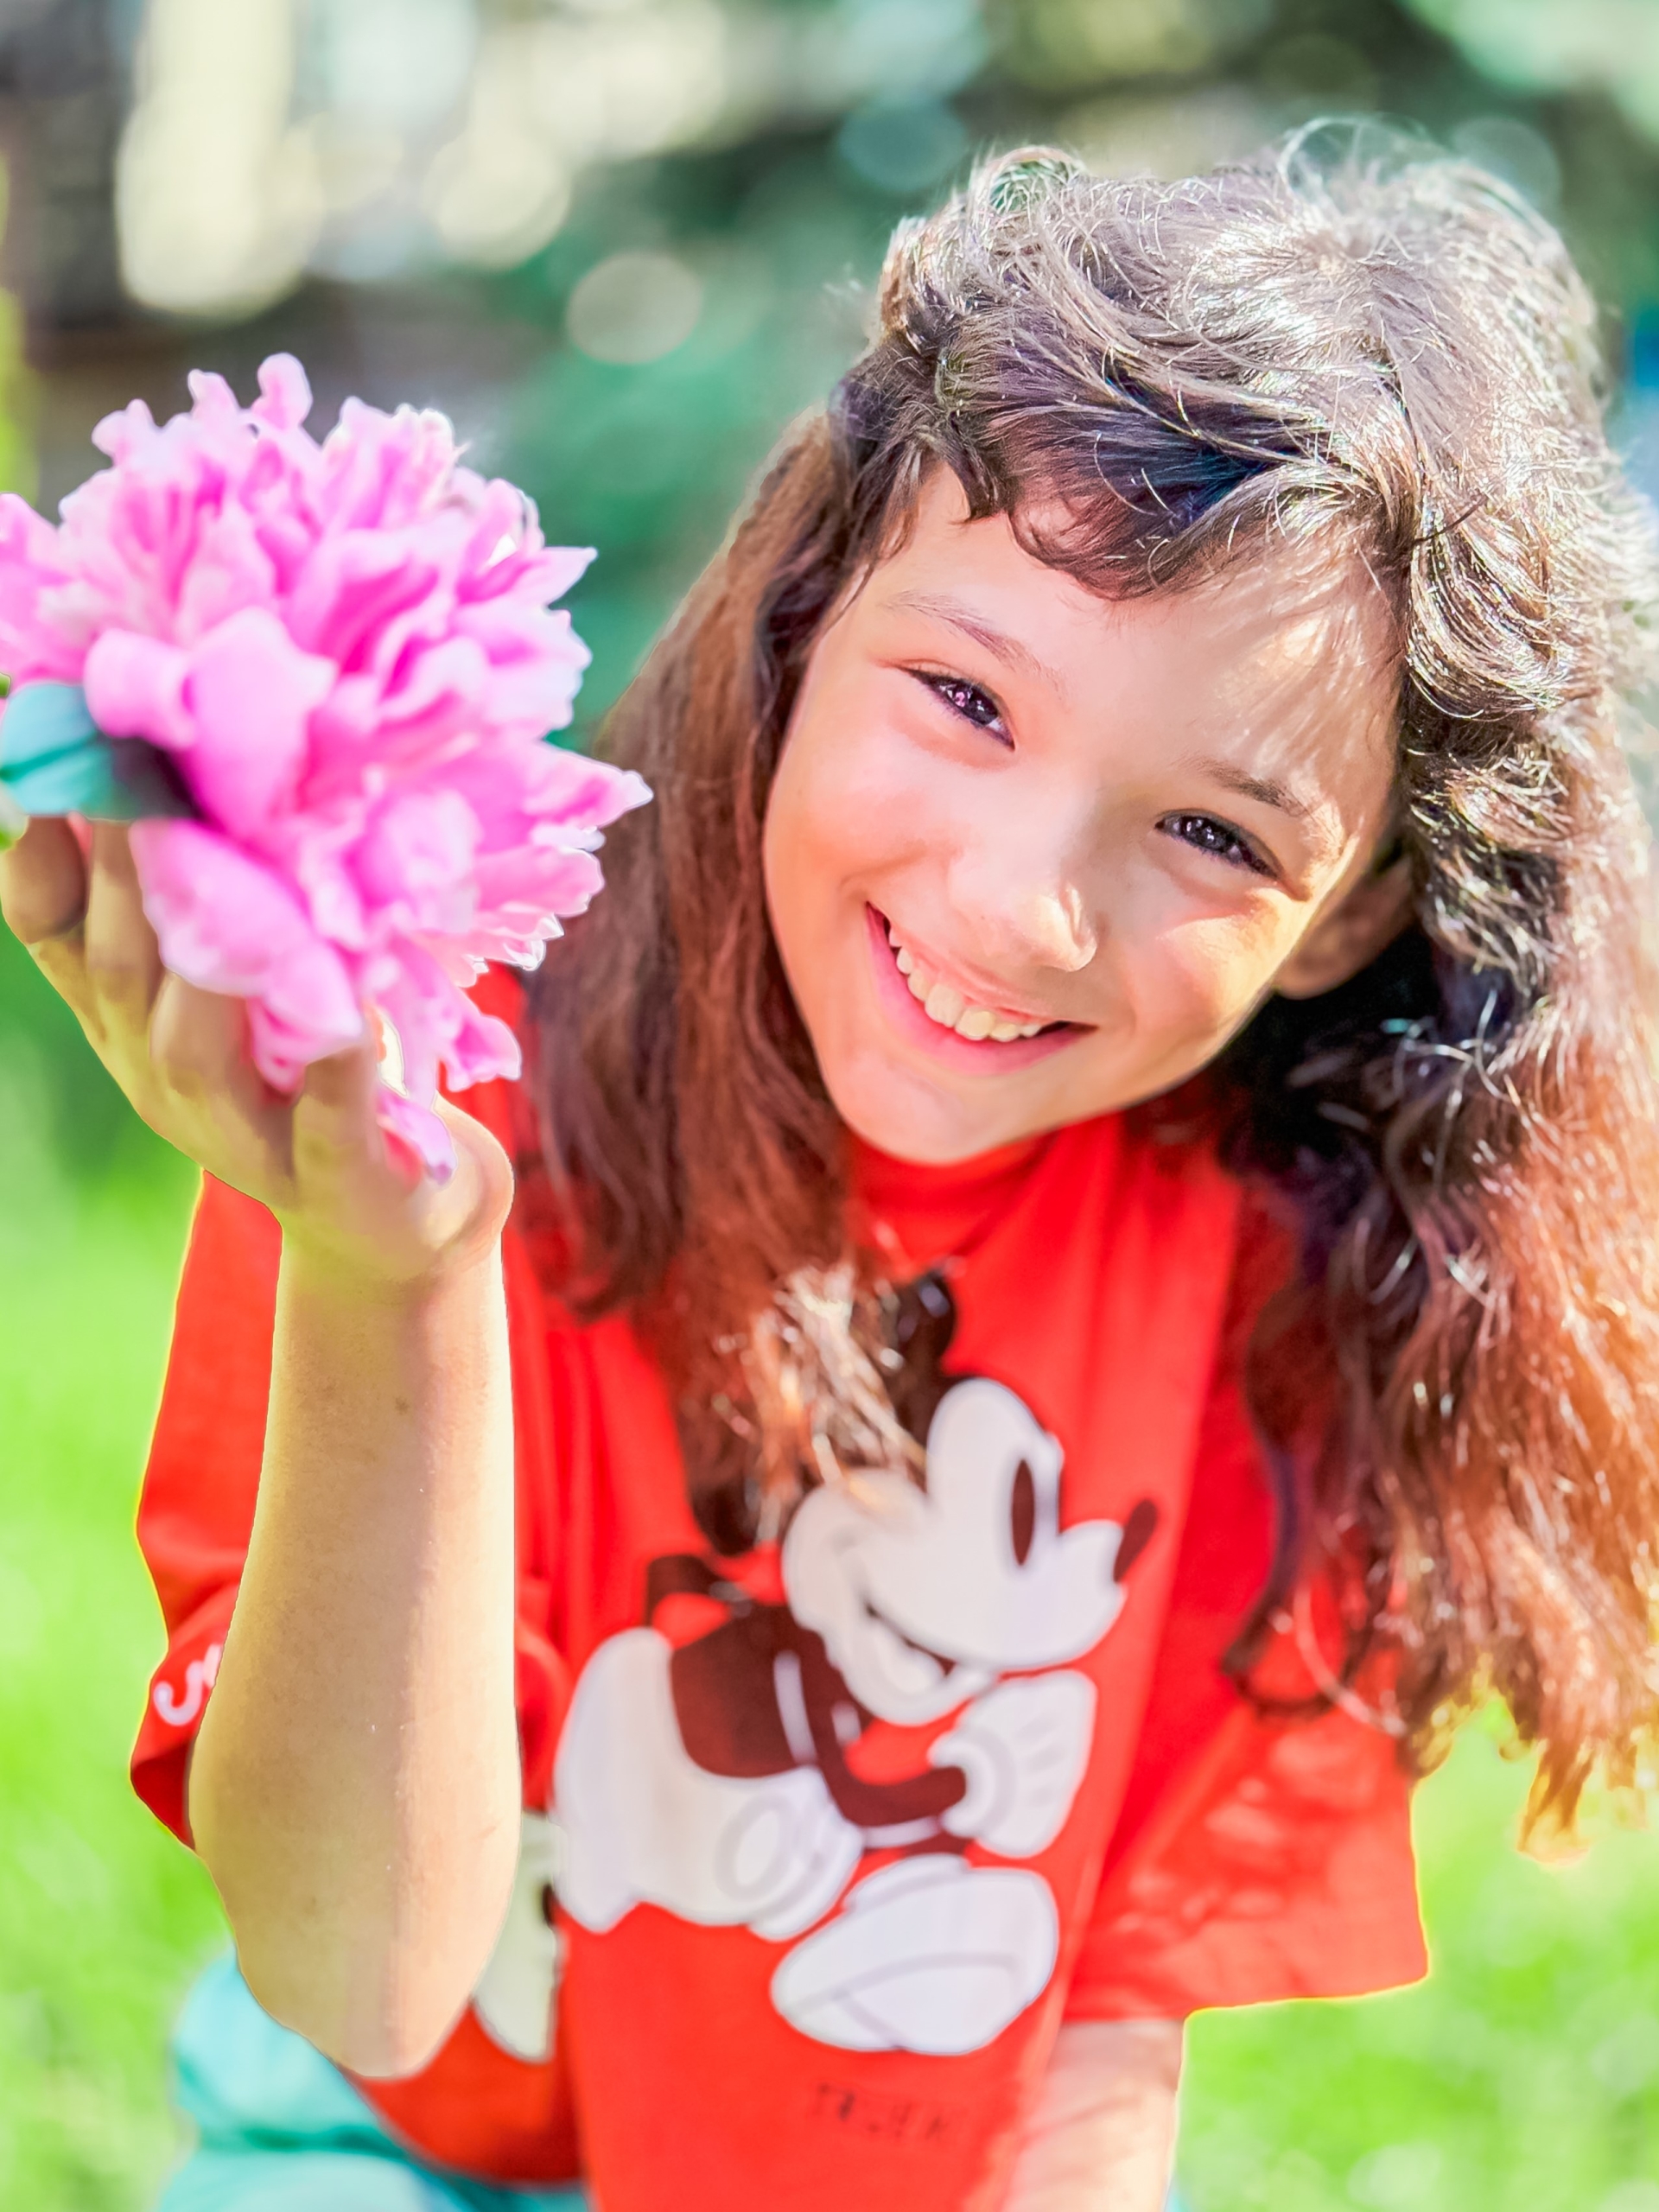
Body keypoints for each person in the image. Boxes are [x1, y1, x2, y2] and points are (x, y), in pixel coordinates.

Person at [7, 132, 1659, 2212]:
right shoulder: (421, 1073)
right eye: (967, 697)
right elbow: (363, 1981)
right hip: (384, 2144)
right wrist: (389, 1274)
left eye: (1215, 833)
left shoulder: (1287, 1279)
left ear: (1348, 919)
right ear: (804, 618)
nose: (1022, 905)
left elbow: (1092, 2067)